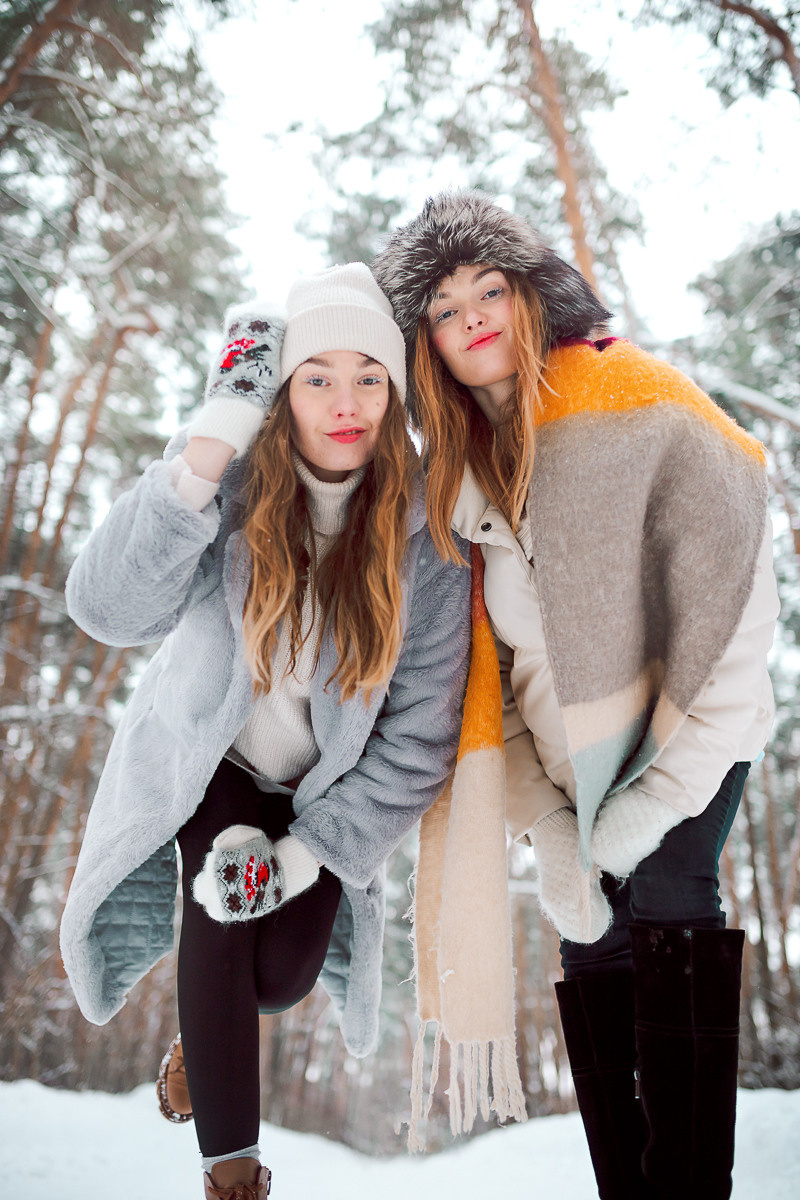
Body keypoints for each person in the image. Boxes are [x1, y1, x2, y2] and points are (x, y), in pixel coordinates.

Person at [372, 191, 779, 1198]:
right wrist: (552, 828)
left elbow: (733, 603)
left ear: (528, 296)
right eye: (441, 307)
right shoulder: (455, 489)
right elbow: (480, 692)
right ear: (426, 347)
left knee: (668, 895)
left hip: (688, 737)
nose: (471, 314)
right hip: (566, 778)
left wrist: (647, 805)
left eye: (489, 287)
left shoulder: (631, 392)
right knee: (589, 929)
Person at [59, 263, 471, 1199]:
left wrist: (304, 858)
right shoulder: (231, 480)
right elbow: (107, 610)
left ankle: (202, 1047)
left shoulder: (428, 541)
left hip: (321, 797)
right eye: (316, 376)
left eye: (370, 376)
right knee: (218, 904)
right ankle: (232, 1174)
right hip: (215, 760)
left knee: (281, 977)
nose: (346, 402)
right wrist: (207, 449)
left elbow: (418, 742)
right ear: (280, 388)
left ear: (395, 392)